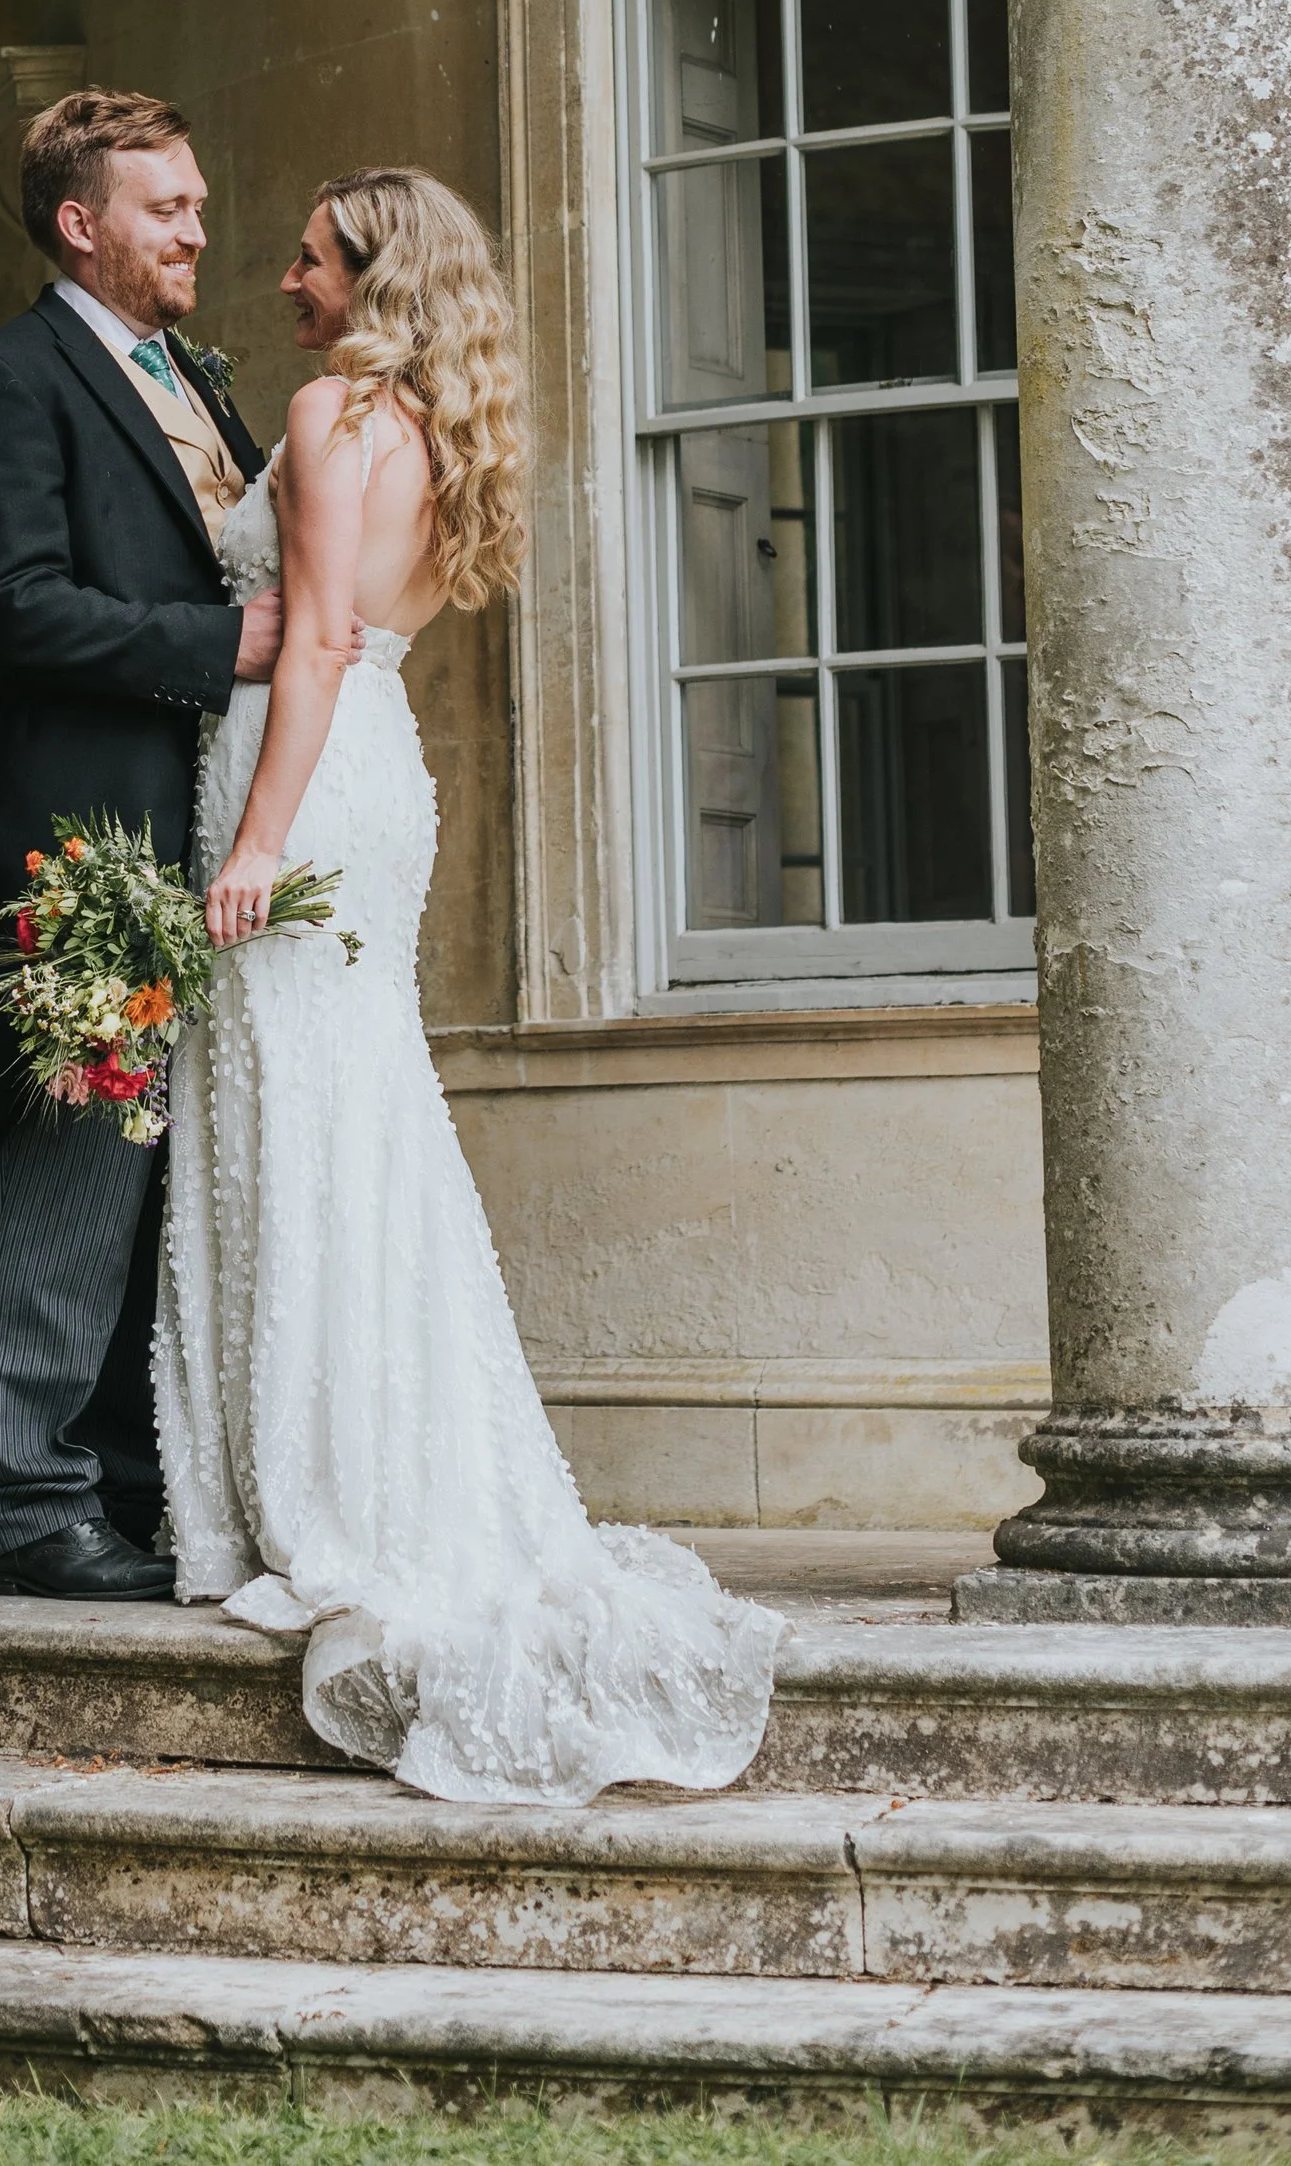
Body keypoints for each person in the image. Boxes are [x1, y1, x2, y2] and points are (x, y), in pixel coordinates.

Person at [156, 166, 784, 1800]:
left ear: (372, 277)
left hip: (304, 776)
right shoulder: (436, 430)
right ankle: (381, 1468)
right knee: (356, 1115)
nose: (284, 276)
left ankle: (315, 1496)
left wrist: (255, 840)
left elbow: (306, 641)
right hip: (387, 776)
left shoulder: (334, 410)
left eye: (306, 255)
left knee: (296, 1117)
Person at [0, 89, 272, 1599]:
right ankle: (34, 1506)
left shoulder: (191, 374)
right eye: (167, 206)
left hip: (194, 836)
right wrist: (222, 644)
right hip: (76, 844)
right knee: (64, 1161)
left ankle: (132, 1489)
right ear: (82, 223)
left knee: (158, 1169)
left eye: (197, 200)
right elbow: (10, 606)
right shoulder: (3, 379)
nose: (199, 226)